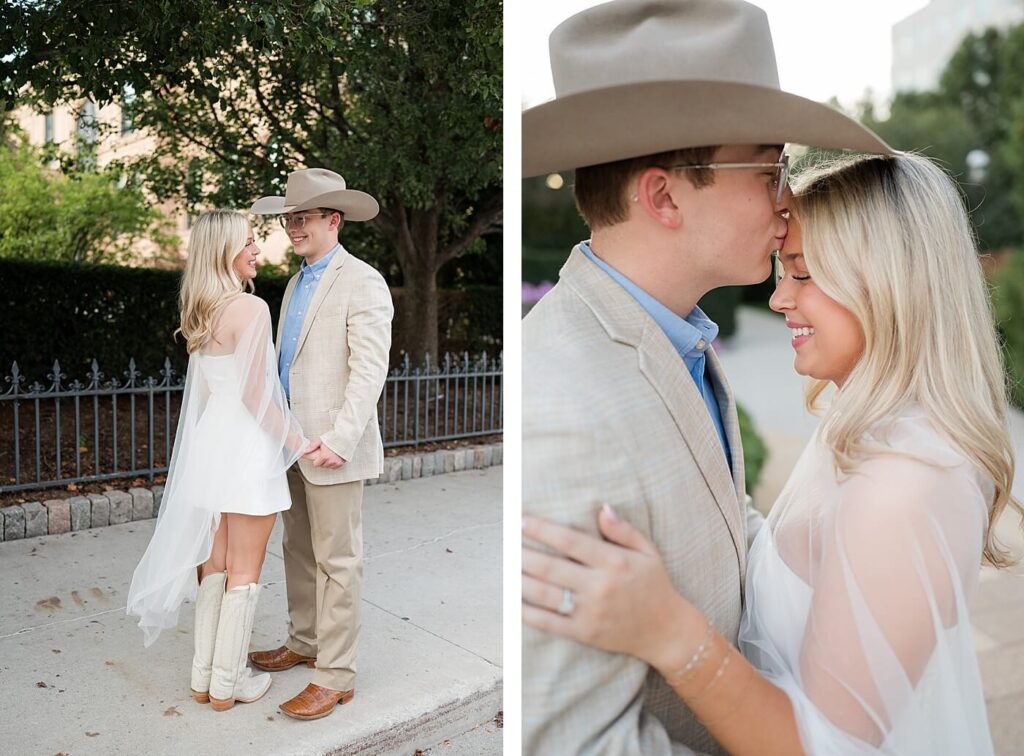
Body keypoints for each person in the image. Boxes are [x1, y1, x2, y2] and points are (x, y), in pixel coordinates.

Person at [523, 152, 1023, 755]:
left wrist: (671, 631)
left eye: (804, 274)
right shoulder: (866, 424)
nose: (780, 298)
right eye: (788, 270)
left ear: (891, 283)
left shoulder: (904, 482)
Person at [521, 0, 892, 752]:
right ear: (663, 197)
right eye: (767, 166)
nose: (787, 198)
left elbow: (726, 530)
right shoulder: (557, 412)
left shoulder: (678, 333)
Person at [127, 209, 319, 711]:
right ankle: (230, 683)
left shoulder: (200, 309)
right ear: (225, 251)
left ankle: (204, 677)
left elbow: (209, 397)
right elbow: (258, 395)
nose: (257, 250)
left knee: (213, 565)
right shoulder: (250, 310)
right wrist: (299, 443)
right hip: (247, 448)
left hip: (209, 448)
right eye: (250, 242)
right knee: (245, 569)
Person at [247, 168, 394, 721]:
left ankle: (335, 676)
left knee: (339, 561)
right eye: (289, 217)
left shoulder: (364, 281)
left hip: (333, 446)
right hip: (291, 444)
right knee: (298, 551)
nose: (292, 227)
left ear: (334, 220)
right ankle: (303, 641)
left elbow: (368, 370)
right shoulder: (295, 281)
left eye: (302, 217)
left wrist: (340, 439)